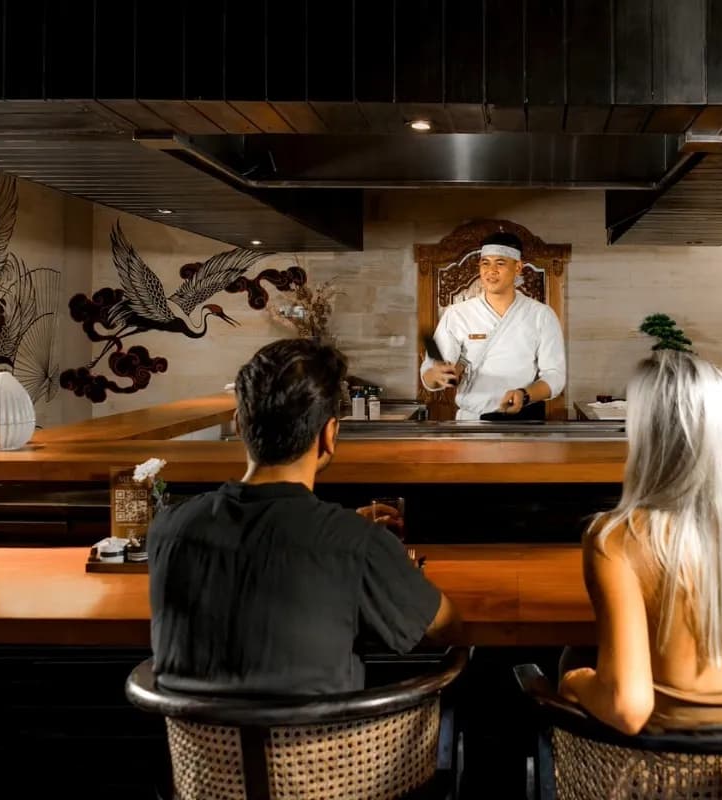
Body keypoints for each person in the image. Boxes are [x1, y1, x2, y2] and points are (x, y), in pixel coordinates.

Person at [148, 339, 461, 695]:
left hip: (201, 749)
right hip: (331, 749)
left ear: (239, 424)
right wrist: (353, 535)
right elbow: (444, 628)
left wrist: (343, 526)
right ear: (330, 434)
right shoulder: (356, 543)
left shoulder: (170, 528)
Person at [558, 351, 722, 734]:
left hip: (651, 781)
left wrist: (574, 682)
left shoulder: (614, 542)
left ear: (648, 438)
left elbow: (628, 709)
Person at [420, 230, 566, 420]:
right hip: (472, 423)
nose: (491, 271)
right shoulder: (457, 314)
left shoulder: (541, 315)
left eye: (500, 263)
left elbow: (555, 376)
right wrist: (436, 375)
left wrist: (525, 394)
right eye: (485, 263)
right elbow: (429, 376)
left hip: (522, 423)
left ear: (518, 267)